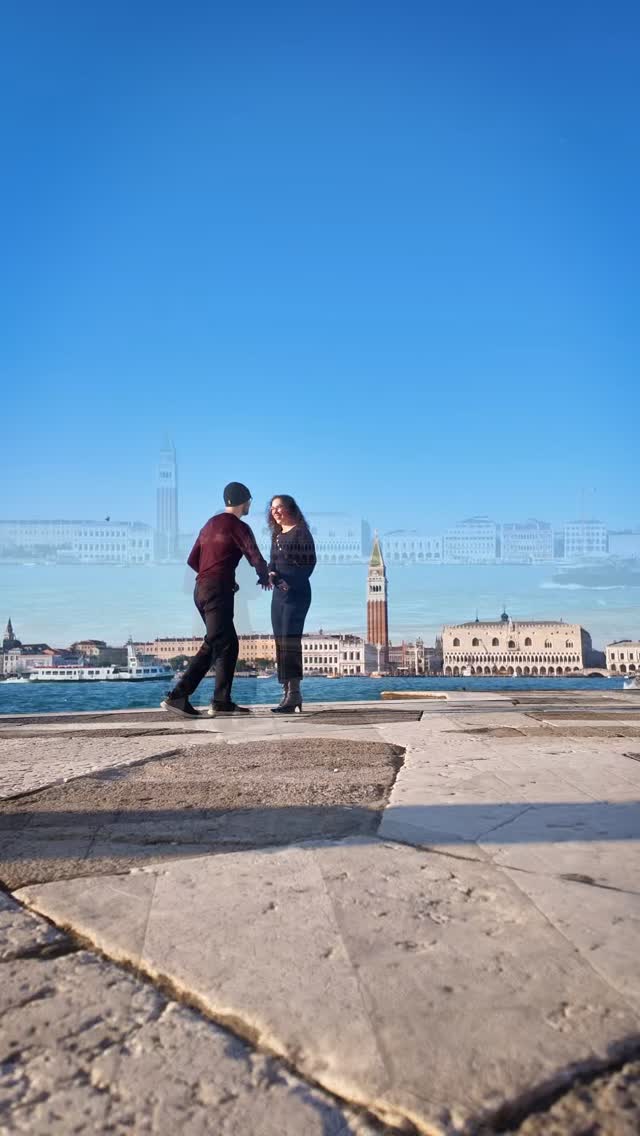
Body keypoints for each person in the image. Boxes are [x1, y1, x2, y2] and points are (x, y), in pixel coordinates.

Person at [161, 482, 271, 718]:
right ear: (246, 501)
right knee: (216, 640)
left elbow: (193, 560)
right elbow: (255, 556)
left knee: (228, 643)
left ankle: (221, 702)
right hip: (217, 590)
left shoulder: (209, 524)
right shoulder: (239, 526)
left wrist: (217, 574)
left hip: (201, 588)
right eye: (250, 501)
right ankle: (178, 695)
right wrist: (264, 577)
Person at [267, 495, 316, 713]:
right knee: (281, 642)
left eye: (279, 507)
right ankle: (287, 692)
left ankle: (294, 693)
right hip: (278, 595)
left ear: (290, 509)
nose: (275, 511)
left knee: (290, 642)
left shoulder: (301, 531)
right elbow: (272, 562)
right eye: (272, 508)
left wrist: (289, 583)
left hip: (296, 594)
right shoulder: (276, 535)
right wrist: (269, 573)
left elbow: (309, 564)